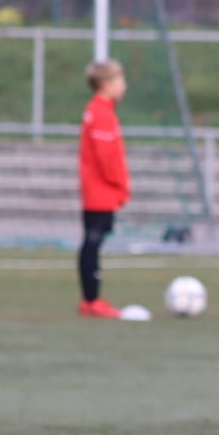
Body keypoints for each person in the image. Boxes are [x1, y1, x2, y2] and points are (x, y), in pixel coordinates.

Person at [77, 59, 129, 319]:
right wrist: (119, 184)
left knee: (93, 243)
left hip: (97, 190)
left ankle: (91, 298)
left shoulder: (99, 110)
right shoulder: (100, 112)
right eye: (120, 80)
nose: (124, 86)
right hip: (101, 191)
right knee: (92, 243)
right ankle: (91, 300)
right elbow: (106, 156)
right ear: (106, 84)